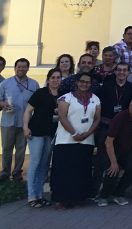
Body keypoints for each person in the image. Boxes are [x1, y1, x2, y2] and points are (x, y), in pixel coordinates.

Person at [50, 73, 101, 209]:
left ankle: (77, 198)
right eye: (82, 82)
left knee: (81, 171)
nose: (84, 84)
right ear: (77, 82)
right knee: (63, 171)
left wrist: (88, 133)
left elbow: (97, 119)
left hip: (86, 140)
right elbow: (62, 117)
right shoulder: (66, 97)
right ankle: (60, 199)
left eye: (87, 82)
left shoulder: (95, 99)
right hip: (66, 140)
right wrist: (74, 133)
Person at [92, 62, 132, 198]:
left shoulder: (131, 88)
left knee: (127, 163)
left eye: (125, 70)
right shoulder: (106, 87)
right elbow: (97, 105)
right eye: (119, 70)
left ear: (129, 73)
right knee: (102, 161)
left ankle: (117, 192)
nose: (122, 72)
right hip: (105, 126)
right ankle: (95, 193)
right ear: (115, 72)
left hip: (123, 129)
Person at [0, 58, 40, 182]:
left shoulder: (34, 84)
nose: (21, 69)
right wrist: (4, 105)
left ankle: (17, 172)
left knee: (21, 149)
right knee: (6, 148)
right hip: (8, 121)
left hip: (25, 123)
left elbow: (38, 103)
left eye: (24, 67)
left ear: (28, 68)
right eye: (19, 67)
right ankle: (5, 172)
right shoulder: (5, 83)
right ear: (15, 68)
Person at [23, 67, 61, 208]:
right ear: (48, 79)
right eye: (53, 77)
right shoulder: (40, 93)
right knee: (35, 162)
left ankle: (39, 195)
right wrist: (25, 127)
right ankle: (31, 196)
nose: (55, 80)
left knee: (44, 164)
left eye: (58, 77)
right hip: (36, 132)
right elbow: (28, 111)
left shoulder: (62, 95)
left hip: (51, 133)